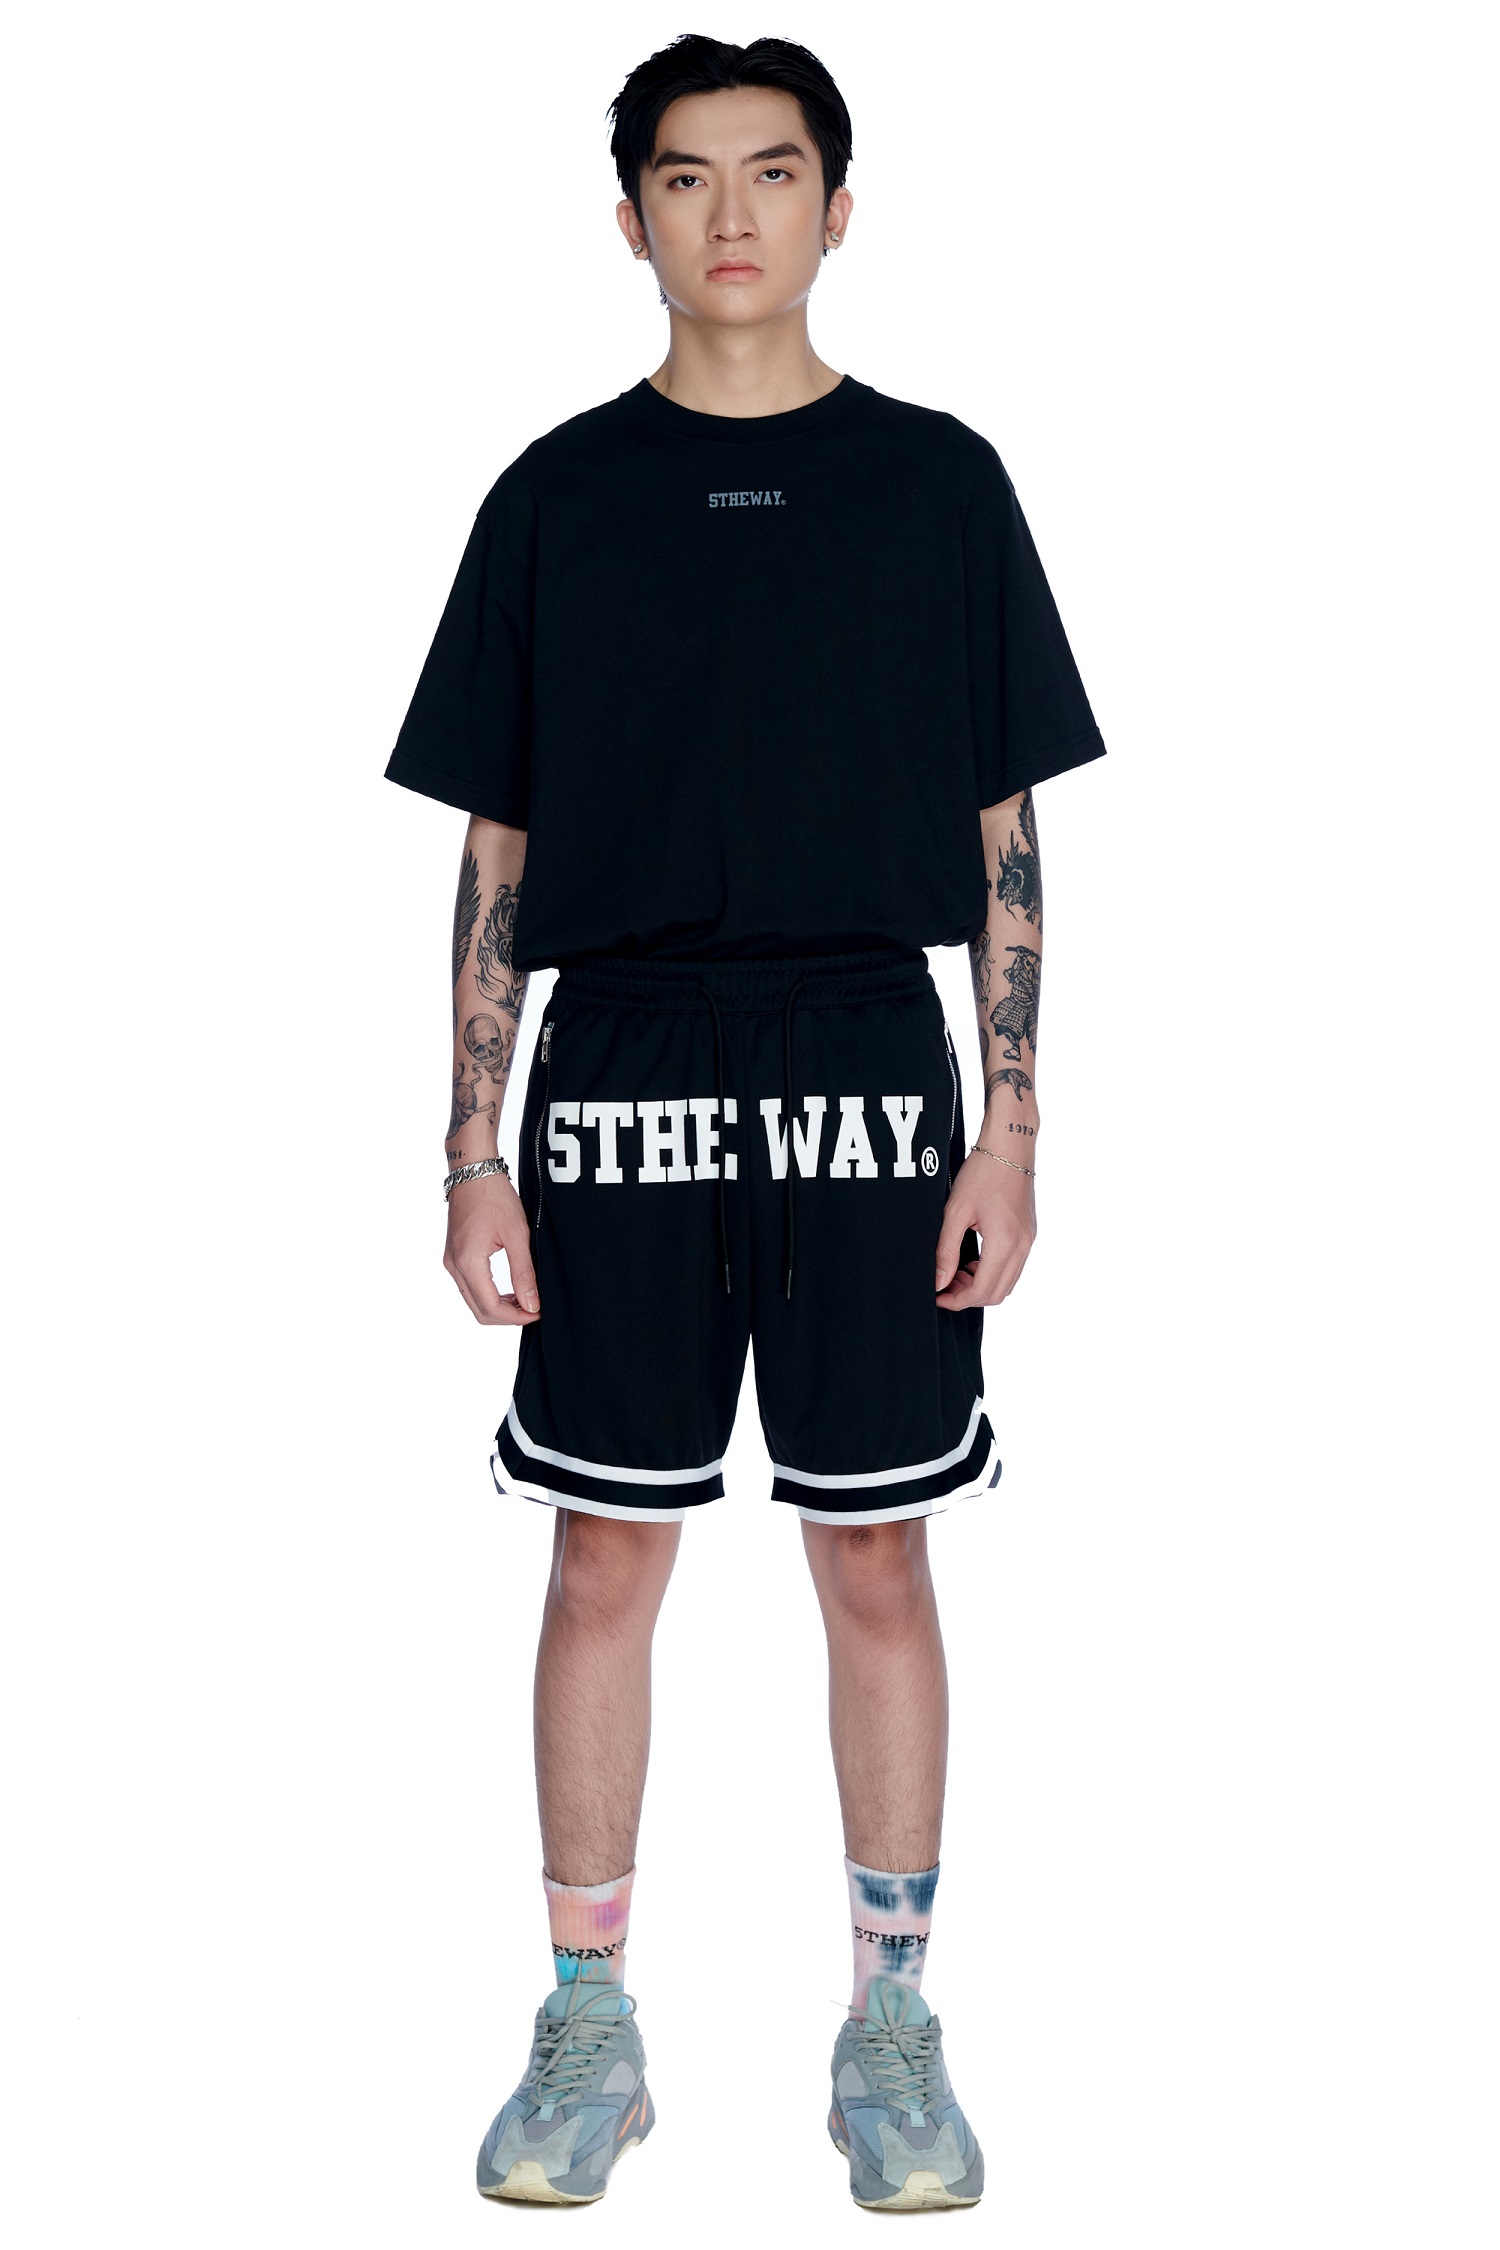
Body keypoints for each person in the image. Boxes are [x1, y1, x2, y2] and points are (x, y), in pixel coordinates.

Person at [384, 32, 1106, 2213]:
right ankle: (587, 2022)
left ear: (837, 208)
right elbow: (498, 842)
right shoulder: (555, 496)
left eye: (773, 173)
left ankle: (892, 2025)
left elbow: (1002, 826)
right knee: (605, 1546)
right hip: (619, 1058)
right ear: (629, 218)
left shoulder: (941, 483)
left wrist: (1011, 1124)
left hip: (870, 1053)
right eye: (687, 177)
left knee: (875, 1544)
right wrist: (472, 1142)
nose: (730, 215)